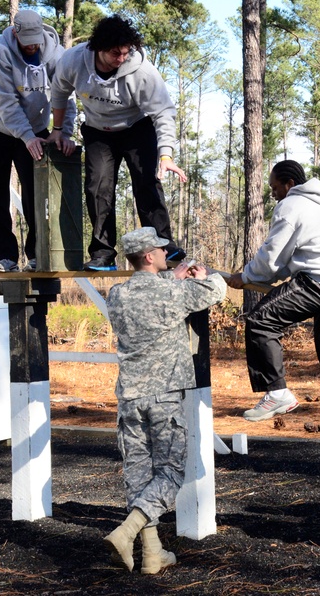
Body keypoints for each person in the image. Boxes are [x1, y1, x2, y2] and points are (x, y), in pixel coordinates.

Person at [103, 226, 227, 574]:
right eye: (159, 250)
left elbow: (154, 294)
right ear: (149, 256)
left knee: (138, 474)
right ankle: (126, 531)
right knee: (171, 471)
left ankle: (152, 553)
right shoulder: (175, 293)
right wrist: (203, 276)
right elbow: (216, 290)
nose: (163, 253)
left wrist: (172, 277)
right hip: (164, 396)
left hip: (130, 396)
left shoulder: (117, 295)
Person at [225, 160, 320, 426]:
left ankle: (277, 392)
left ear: (290, 184)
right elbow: (287, 260)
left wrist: (244, 277)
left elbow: (271, 257)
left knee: (260, 319)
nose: (272, 194)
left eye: (274, 187)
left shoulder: (291, 205)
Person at [48, 14, 186, 271]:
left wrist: (166, 154)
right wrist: (58, 129)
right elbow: (59, 91)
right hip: (98, 131)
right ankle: (103, 254)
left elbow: (163, 112)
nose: (121, 58)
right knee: (97, 188)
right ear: (98, 48)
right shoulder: (74, 60)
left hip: (137, 129)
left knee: (147, 184)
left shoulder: (143, 72)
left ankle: (164, 246)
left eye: (125, 53)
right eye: (115, 53)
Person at [0, 9, 77, 273]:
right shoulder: (0, 51)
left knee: (38, 193)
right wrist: (26, 137)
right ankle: (3, 256)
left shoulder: (57, 53)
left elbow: (66, 94)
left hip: (37, 126)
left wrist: (63, 131)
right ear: (15, 32)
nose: (32, 45)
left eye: (36, 40)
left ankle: (36, 254)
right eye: (27, 40)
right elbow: (5, 101)